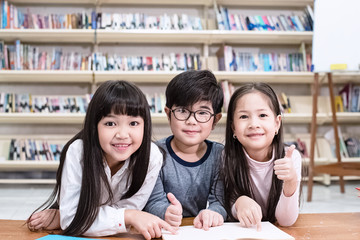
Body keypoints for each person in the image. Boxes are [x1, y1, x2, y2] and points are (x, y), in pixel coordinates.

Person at [27, 80, 176, 239]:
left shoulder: (152, 156)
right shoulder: (78, 153)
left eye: (133, 123)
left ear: (145, 126)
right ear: (94, 126)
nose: (123, 134)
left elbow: (128, 212)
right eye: (110, 123)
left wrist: (76, 218)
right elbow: (73, 218)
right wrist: (128, 216)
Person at [144, 70, 227, 230]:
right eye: (182, 111)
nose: (191, 121)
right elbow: (153, 202)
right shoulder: (155, 153)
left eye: (202, 113)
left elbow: (220, 201)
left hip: (202, 231)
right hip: (166, 230)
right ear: (168, 114)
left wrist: (213, 213)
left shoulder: (219, 154)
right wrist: (166, 211)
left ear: (215, 120)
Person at [221, 82, 301, 230]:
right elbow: (226, 205)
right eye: (244, 116)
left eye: (262, 115)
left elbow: (286, 221)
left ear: (277, 123)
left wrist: (291, 181)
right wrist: (239, 202)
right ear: (233, 127)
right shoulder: (225, 156)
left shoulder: (290, 158)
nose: (254, 124)